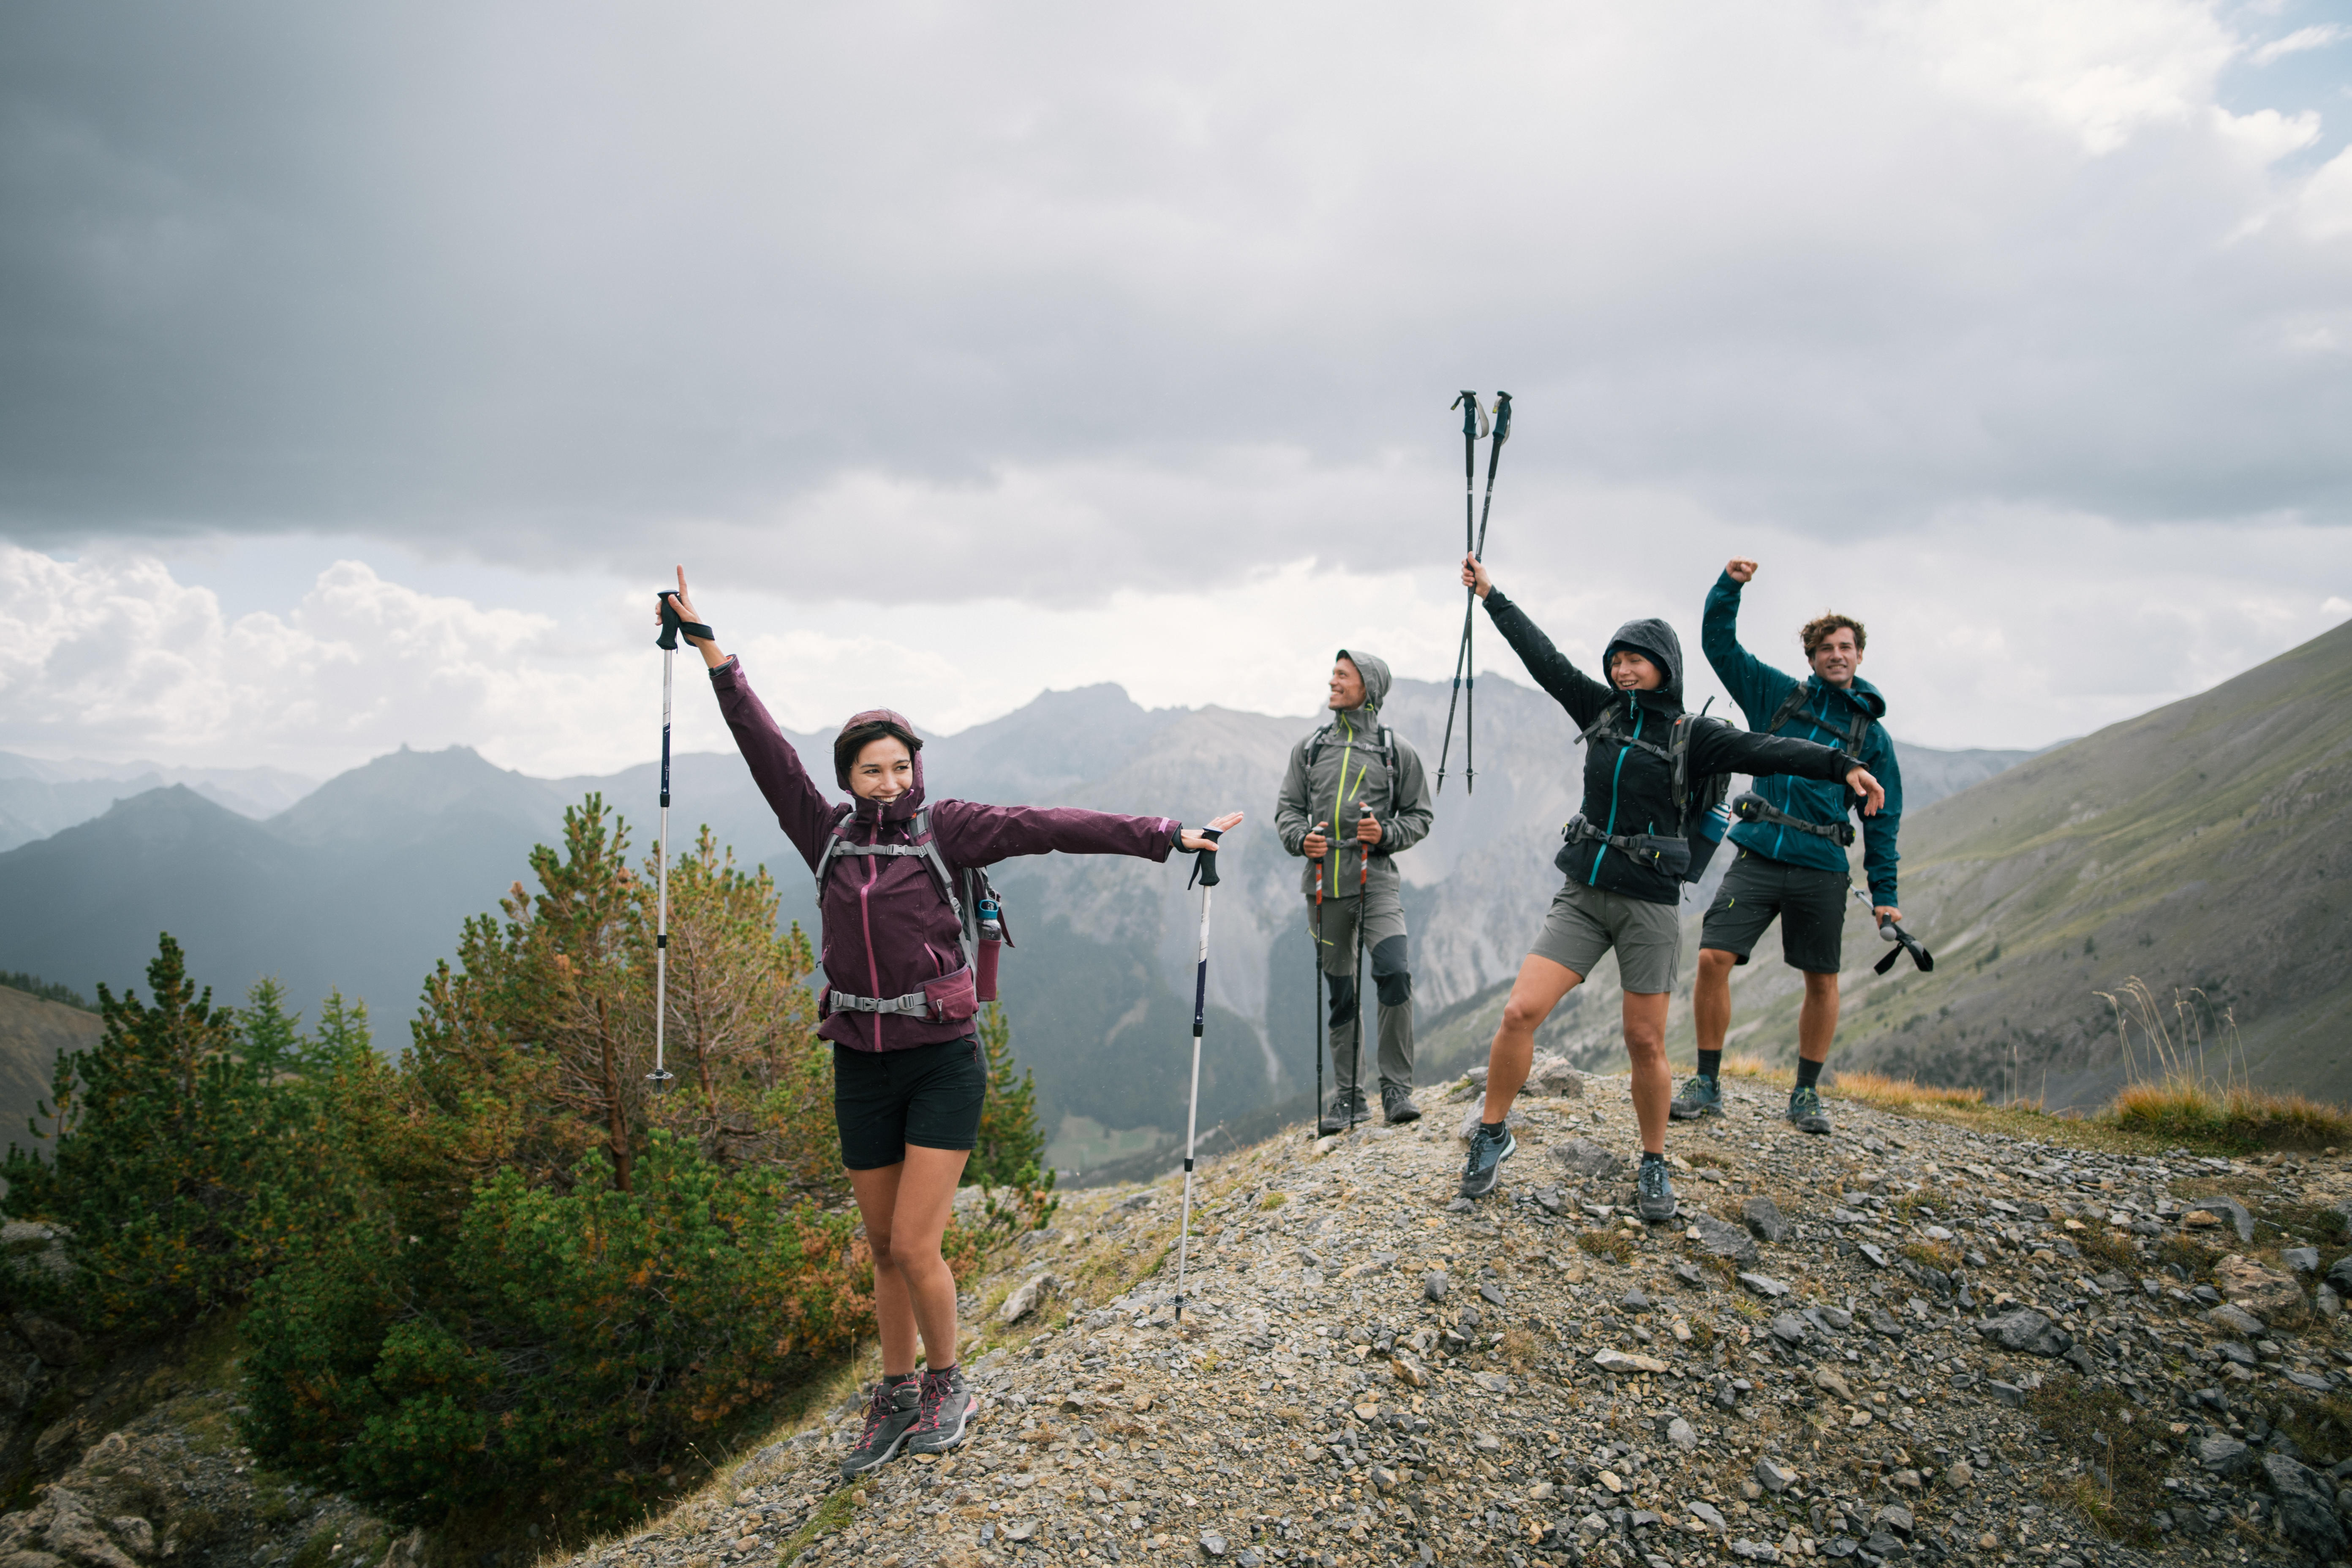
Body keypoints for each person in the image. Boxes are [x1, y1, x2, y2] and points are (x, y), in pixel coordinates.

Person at [662, 569, 1243, 1481]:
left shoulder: (951, 826)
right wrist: (711, 649)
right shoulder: (825, 833)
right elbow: (762, 749)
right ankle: (894, 1392)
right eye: (873, 768)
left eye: (901, 764)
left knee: (914, 1242)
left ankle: (948, 1381)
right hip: (860, 1059)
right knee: (879, 1247)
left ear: (916, 767)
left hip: (942, 1061)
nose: (890, 779)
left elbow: (1051, 824)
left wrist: (1165, 834)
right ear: (848, 777)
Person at [1451, 555, 1885, 1220]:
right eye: (1617, 658)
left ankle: (1654, 1162)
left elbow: (1766, 750)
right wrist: (1493, 596)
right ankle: (1492, 1131)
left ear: (1664, 667)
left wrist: (1842, 765)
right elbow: (1544, 659)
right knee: (1518, 1013)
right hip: (1584, 893)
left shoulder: (1694, 735)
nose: (1623, 669)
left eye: (1637, 659)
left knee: (1646, 1042)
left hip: (1649, 906)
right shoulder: (1597, 708)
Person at [1674, 558, 1903, 1138]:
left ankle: (1805, 1095)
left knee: (1821, 980)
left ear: (1859, 655)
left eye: (1846, 646)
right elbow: (1719, 646)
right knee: (1711, 959)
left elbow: (1884, 819)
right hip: (1756, 853)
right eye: (1826, 647)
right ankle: (1706, 1083)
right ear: (1811, 657)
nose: (1837, 655)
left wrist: (1887, 895)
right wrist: (1729, 588)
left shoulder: (1872, 738)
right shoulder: (1777, 696)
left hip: (1822, 865)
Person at [1274, 650, 1435, 1132]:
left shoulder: (1396, 751)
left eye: (1343, 676)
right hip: (1324, 888)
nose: (1333, 681)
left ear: (1369, 687)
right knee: (1342, 992)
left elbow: (1420, 816)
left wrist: (1384, 834)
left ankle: (1396, 1089)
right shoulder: (1311, 749)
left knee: (1394, 973)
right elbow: (1286, 809)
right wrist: (1301, 839)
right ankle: (1348, 1097)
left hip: (1377, 883)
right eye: (1334, 674)